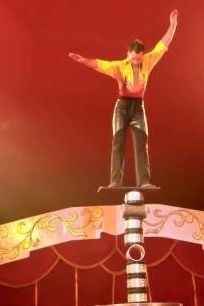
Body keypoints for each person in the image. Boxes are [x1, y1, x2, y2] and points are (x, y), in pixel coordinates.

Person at [68, 10, 178, 188]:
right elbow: (100, 64)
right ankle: (115, 181)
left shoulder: (148, 61)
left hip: (138, 108)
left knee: (142, 144)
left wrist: (172, 25)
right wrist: (82, 60)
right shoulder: (119, 66)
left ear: (143, 55)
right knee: (118, 143)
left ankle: (144, 182)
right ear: (128, 54)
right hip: (122, 107)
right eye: (133, 59)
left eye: (138, 59)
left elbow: (162, 46)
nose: (136, 62)